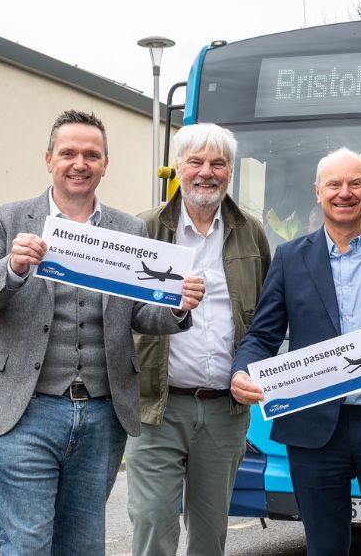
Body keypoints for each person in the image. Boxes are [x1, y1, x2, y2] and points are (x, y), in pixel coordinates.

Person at [0, 110, 204, 555]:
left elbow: (140, 314)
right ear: (48, 159)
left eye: (92, 154)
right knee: (27, 544)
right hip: (22, 411)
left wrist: (178, 308)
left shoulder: (129, 230)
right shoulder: (8, 220)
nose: (80, 163)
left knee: (84, 546)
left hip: (101, 415)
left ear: (106, 164)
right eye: (68, 153)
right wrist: (11, 268)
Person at [230, 147, 361, 556]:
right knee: (325, 548)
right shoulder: (289, 259)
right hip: (313, 431)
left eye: (355, 183)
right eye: (334, 184)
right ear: (318, 192)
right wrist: (242, 372)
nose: (344, 192)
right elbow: (262, 335)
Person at [125, 123, 271, 556]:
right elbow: (120, 315)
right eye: (196, 162)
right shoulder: (144, 228)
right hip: (157, 406)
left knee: (210, 534)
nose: (206, 172)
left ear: (229, 172)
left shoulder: (252, 233)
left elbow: (264, 319)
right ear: (178, 169)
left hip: (225, 410)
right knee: (152, 520)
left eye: (218, 163)